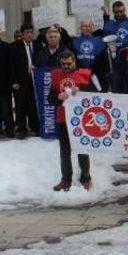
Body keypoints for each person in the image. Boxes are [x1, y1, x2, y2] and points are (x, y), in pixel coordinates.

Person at [50, 50, 95, 191]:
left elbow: (95, 94)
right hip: (62, 118)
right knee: (65, 152)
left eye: (69, 63)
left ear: (74, 61)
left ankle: (86, 178)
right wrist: (58, 97)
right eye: (63, 64)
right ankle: (66, 179)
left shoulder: (85, 73)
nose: (66, 66)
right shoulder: (56, 75)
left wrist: (81, 90)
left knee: (82, 149)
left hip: (81, 119)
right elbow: (49, 99)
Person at [11, 24, 41, 139]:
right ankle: (21, 129)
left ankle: (35, 126)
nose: (29, 34)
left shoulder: (38, 45)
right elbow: (11, 65)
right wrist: (13, 81)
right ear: (22, 34)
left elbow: (41, 59)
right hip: (20, 80)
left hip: (34, 79)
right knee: (20, 105)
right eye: (27, 32)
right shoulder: (14, 46)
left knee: (34, 104)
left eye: (31, 32)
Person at [102, 1, 128, 93]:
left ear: (124, 10)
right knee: (116, 86)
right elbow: (105, 37)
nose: (119, 14)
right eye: (116, 12)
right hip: (115, 59)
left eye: (121, 11)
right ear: (113, 12)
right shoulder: (109, 24)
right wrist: (105, 17)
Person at [71, 20, 110, 90]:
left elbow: (104, 59)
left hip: (96, 74)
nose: (87, 28)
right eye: (84, 26)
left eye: (89, 26)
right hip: (80, 73)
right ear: (80, 28)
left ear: (93, 28)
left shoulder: (100, 40)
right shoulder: (74, 40)